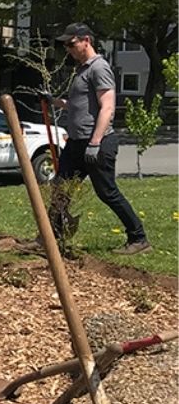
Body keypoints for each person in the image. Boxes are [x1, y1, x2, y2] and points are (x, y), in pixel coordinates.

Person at [46, 23, 150, 254]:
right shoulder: (82, 69)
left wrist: (95, 143)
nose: (68, 49)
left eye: (71, 44)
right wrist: (55, 101)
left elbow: (107, 107)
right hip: (76, 143)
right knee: (59, 189)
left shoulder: (99, 68)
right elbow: (80, 105)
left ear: (86, 40)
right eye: (65, 45)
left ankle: (139, 238)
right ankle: (50, 238)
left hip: (96, 144)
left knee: (107, 192)